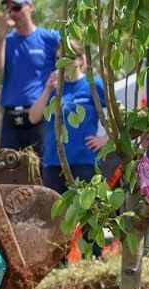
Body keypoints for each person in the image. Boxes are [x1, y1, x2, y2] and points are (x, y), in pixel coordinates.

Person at [28, 39, 107, 256]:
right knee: (56, 217)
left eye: (66, 58)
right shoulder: (54, 87)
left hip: (83, 160)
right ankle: (57, 263)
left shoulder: (93, 84)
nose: (60, 63)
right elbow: (33, 116)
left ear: (80, 60)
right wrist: (47, 90)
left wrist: (104, 139)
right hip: (54, 162)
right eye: (57, 59)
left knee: (89, 213)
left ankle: (94, 260)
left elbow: (118, 115)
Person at [0, 0, 60, 154]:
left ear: (30, 7)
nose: (12, 13)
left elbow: (78, 59)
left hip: (40, 117)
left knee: (39, 170)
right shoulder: (7, 41)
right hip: (11, 118)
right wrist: (0, 36)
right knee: (6, 170)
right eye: (9, 9)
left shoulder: (50, 38)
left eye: (17, 8)